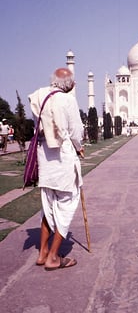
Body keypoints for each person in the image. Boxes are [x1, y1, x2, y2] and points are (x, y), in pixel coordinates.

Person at [28, 68, 84, 270]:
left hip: (45, 158)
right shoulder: (67, 99)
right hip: (63, 158)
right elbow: (76, 132)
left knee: (48, 206)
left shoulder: (38, 96)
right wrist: (79, 147)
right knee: (66, 206)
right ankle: (53, 257)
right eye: (73, 82)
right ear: (68, 83)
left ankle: (42, 252)